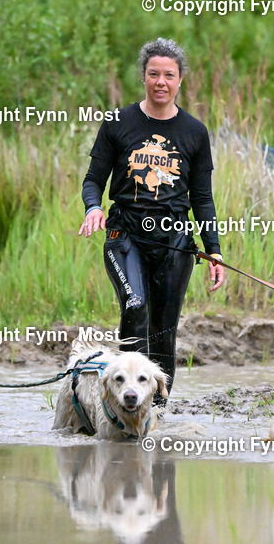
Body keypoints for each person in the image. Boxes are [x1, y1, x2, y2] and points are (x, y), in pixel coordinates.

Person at [79, 38, 225, 401]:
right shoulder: (118, 123)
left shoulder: (195, 132)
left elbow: (202, 198)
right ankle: (123, 402)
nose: (161, 82)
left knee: (163, 329)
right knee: (136, 306)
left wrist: (214, 250)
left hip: (175, 241)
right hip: (125, 235)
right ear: (143, 76)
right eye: (154, 74)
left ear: (180, 80)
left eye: (169, 75)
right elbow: (93, 179)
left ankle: (157, 409)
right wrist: (93, 207)